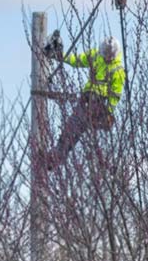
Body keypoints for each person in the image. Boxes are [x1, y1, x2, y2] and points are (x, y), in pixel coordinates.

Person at [46, 37, 124, 170]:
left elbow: (115, 95)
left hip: (100, 105)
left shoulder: (117, 70)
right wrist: (60, 56)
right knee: (70, 131)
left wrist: (108, 112)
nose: (107, 58)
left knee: (88, 138)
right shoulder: (95, 56)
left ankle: (108, 166)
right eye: (105, 54)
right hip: (86, 101)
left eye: (110, 55)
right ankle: (54, 159)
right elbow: (77, 60)